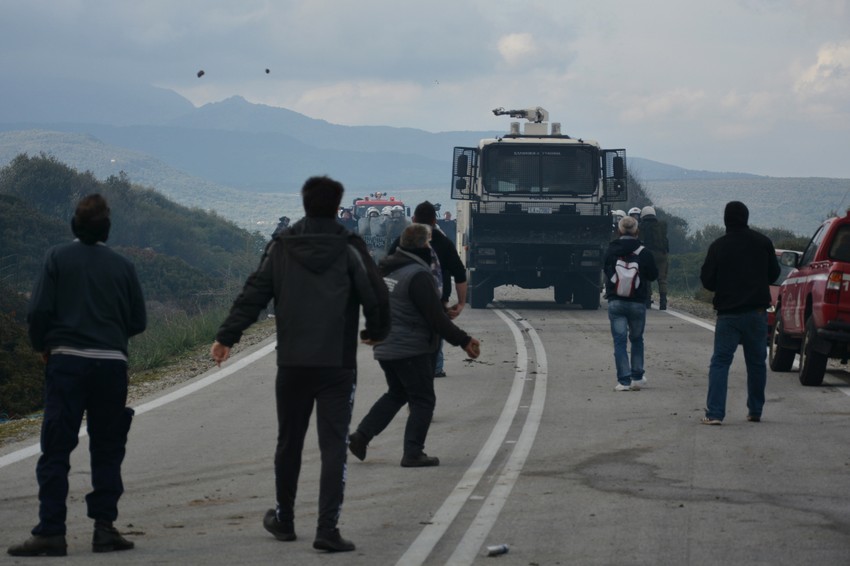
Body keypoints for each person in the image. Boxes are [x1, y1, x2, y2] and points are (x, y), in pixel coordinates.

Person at [210, 176, 391, 552]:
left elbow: (254, 293)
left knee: (289, 443)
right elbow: (375, 292)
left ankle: (285, 519)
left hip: (292, 362)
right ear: (337, 204)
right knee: (332, 447)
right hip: (336, 365)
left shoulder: (282, 246)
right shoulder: (349, 246)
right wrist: (376, 330)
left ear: (305, 202)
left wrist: (227, 337)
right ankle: (327, 530)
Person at [9, 194, 147, 557]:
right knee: (107, 447)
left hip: (66, 363)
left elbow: (38, 311)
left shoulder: (57, 257)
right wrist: (110, 337)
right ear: (107, 229)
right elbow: (138, 321)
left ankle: (51, 531)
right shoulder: (123, 266)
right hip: (111, 365)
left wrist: (44, 346)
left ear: (74, 224)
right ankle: (104, 529)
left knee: (56, 447)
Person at [349, 224, 480, 467]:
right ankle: (412, 452)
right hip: (410, 347)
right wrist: (463, 340)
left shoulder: (387, 270)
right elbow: (435, 317)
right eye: (429, 243)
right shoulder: (417, 275)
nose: (431, 248)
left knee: (397, 393)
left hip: (387, 346)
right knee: (423, 399)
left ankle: (361, 436)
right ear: (422, 246)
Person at [699, 201, 780, 425]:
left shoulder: (718, 246)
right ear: (746, 217)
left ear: (726, 220)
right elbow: (773, 274)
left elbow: (707, 280)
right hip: (756, 312)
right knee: (756, 362)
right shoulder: (763, 242)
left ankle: (715, 413)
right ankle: (755, 410)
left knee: (720, 362)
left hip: (728, 314)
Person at [389, 201, 467, 378]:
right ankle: (435, 368)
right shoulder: (444, 243)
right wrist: (461, 303)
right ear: (434, 221)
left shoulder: (401, 241)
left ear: (414, 219)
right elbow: (460, 273)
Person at [603, 215, 658, 392]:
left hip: (616, 301)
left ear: (619, 231)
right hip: (637, 302)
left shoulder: (611, 249)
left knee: (619, 341)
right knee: (636, 339)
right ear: (637, 231)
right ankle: (637, 376)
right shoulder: (644, 252)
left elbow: (605, 269)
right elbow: (653, 275)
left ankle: (623, 381)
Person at [639, 206, 670, 310]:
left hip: (649, 254)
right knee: (662, 279)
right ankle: (663, 302)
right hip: (662, 254)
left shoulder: (642, 226)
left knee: (647, 277)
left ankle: (647, 301)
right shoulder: (661, 226)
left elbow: (640, 241)